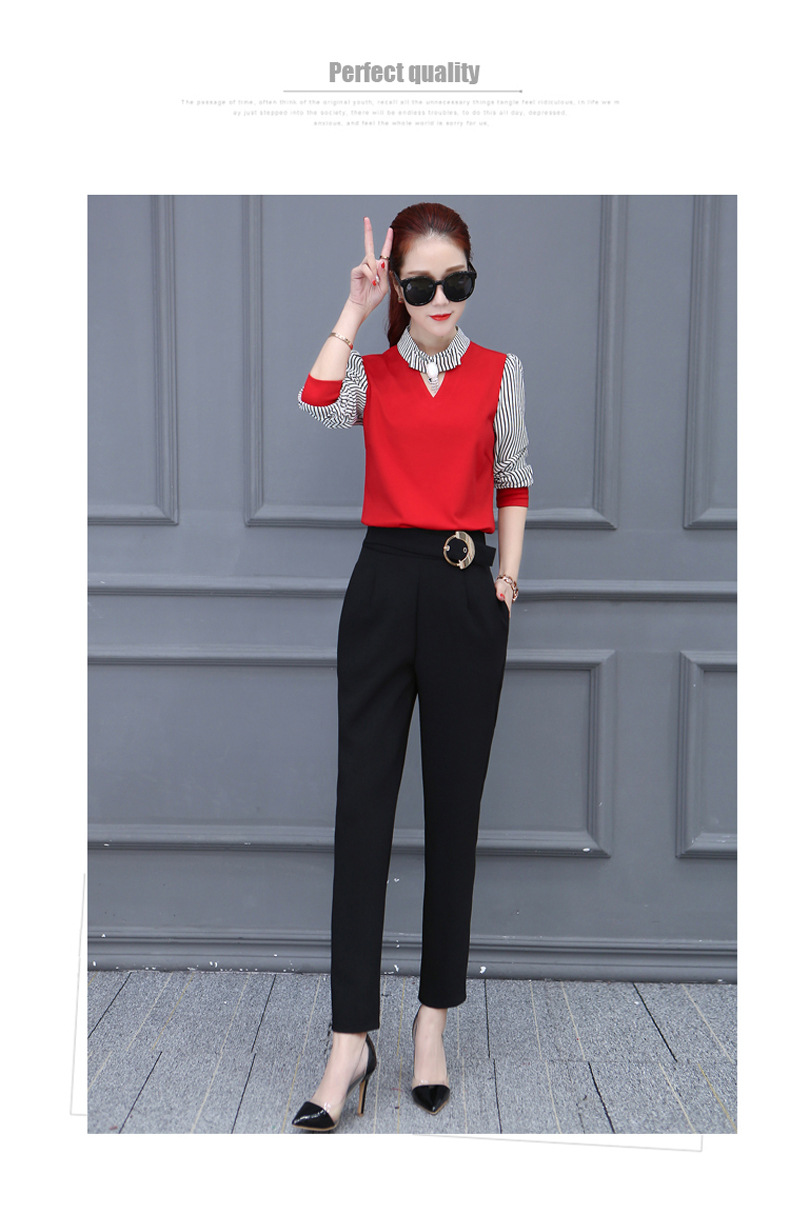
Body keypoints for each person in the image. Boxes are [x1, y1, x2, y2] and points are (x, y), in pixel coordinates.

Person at [291, 202, 532, 1131]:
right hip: (383, 589)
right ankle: (349, 1039)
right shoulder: (374, 374)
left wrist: (506, 580)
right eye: (420, 283)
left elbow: (513, 479)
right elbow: (316, 401)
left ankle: (433, 1023)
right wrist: (355, 311)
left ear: (472, 278)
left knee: (454, 814)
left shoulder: (502, 372)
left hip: (469, 589)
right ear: (398, 284)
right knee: (362, 813)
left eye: (455, 281)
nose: (439, 298)